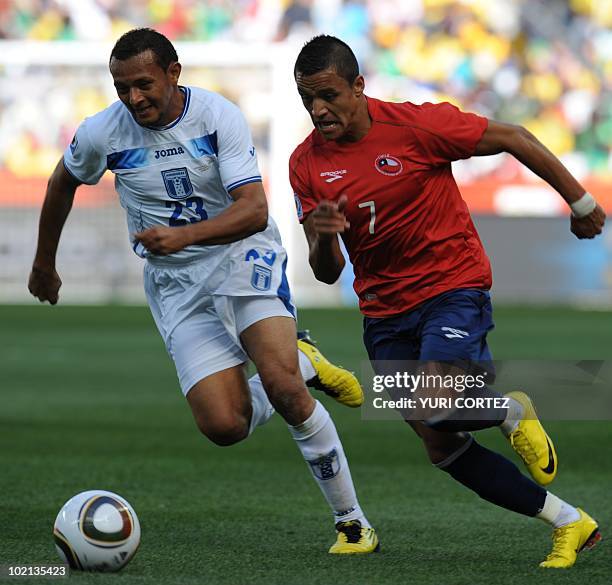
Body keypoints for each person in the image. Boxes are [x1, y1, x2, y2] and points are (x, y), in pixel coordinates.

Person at [28, 28, 379, 554]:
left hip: (244, 258)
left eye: (143, 84)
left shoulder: (218, 117)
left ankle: (352, 522)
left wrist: (182, 236)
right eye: (121, 87)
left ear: (174, 73)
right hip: (175, 285)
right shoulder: (103, 131)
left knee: (283, 391)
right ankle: (305, 361)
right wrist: (43, 262)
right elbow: (62, 180)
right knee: (223, 425)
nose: (133, 98)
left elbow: (254, 210)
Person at [290, 35, 605, 568]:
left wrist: (581, 201)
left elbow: (514, 136)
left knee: (436, 402)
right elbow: (327, 273)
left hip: (450, 287)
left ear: (359, 86)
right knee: (441, 445)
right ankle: (569, 522)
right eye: (307, 100)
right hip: (383, 311)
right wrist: (321, 236)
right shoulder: (306, 163)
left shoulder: (416, 126)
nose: (318, 110)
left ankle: (509, 409)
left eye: (328, 95)